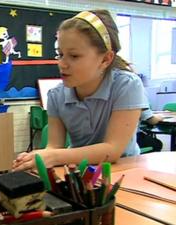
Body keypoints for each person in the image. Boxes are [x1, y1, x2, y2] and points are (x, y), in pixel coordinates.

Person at [13, 10, 148, 171]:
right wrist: (36, 158)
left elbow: (112, 150)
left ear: (105, 59)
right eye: (60, 54)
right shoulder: (56, 95)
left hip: (124, 171)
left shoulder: (127, 85)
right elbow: (54, 146)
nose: (62, 64)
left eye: (74, 56)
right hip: (79, 173)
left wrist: (53, 157)